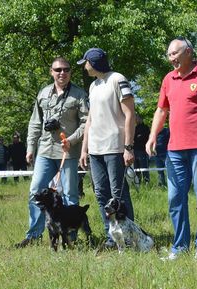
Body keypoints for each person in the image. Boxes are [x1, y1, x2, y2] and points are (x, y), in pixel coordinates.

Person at [145, 37, 197, 260]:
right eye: (169, 55)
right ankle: (179, 247)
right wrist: (152, 136)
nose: (171, 59)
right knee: (175, 199)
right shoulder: (168, 79)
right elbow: (161, 111)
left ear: (188, 52)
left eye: (175, 54)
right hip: (174, 149)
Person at [15, 57, 88, 248]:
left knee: (69, 195)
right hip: (45, 151)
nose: (62, 73)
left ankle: (71, 236)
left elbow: (86, 122)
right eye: (58, 70)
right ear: (51, 72)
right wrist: (30, 147)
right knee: (35, 192)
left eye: (66, 69)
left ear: (70, 72)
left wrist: (71, 140)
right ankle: (34, 235)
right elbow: (35, 122)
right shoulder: (43, 93)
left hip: (68, 153)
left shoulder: (79, 94)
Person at [78, 48, 135, 248]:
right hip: (95, 149)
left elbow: (130, 115)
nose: (84, 67)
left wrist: (128, 146)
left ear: (93, 63)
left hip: (115, 146)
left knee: (118, 194)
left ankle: (129, 236)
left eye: (85, 63)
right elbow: (90, 120)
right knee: (101, 193)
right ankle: (112, 236)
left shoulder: (118, 79)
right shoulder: (93, 86)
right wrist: (84, 149)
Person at [133, 113, 151, 184]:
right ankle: (138, 182)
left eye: (137, 118)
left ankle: (147, 182)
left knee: (144, 168)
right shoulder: (134, 128)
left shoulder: (145, 128)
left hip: (142, 151)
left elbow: (144, 138)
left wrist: (137, 138)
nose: (135, 120)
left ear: (140, 118)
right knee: (136, 168)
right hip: (135, 150)